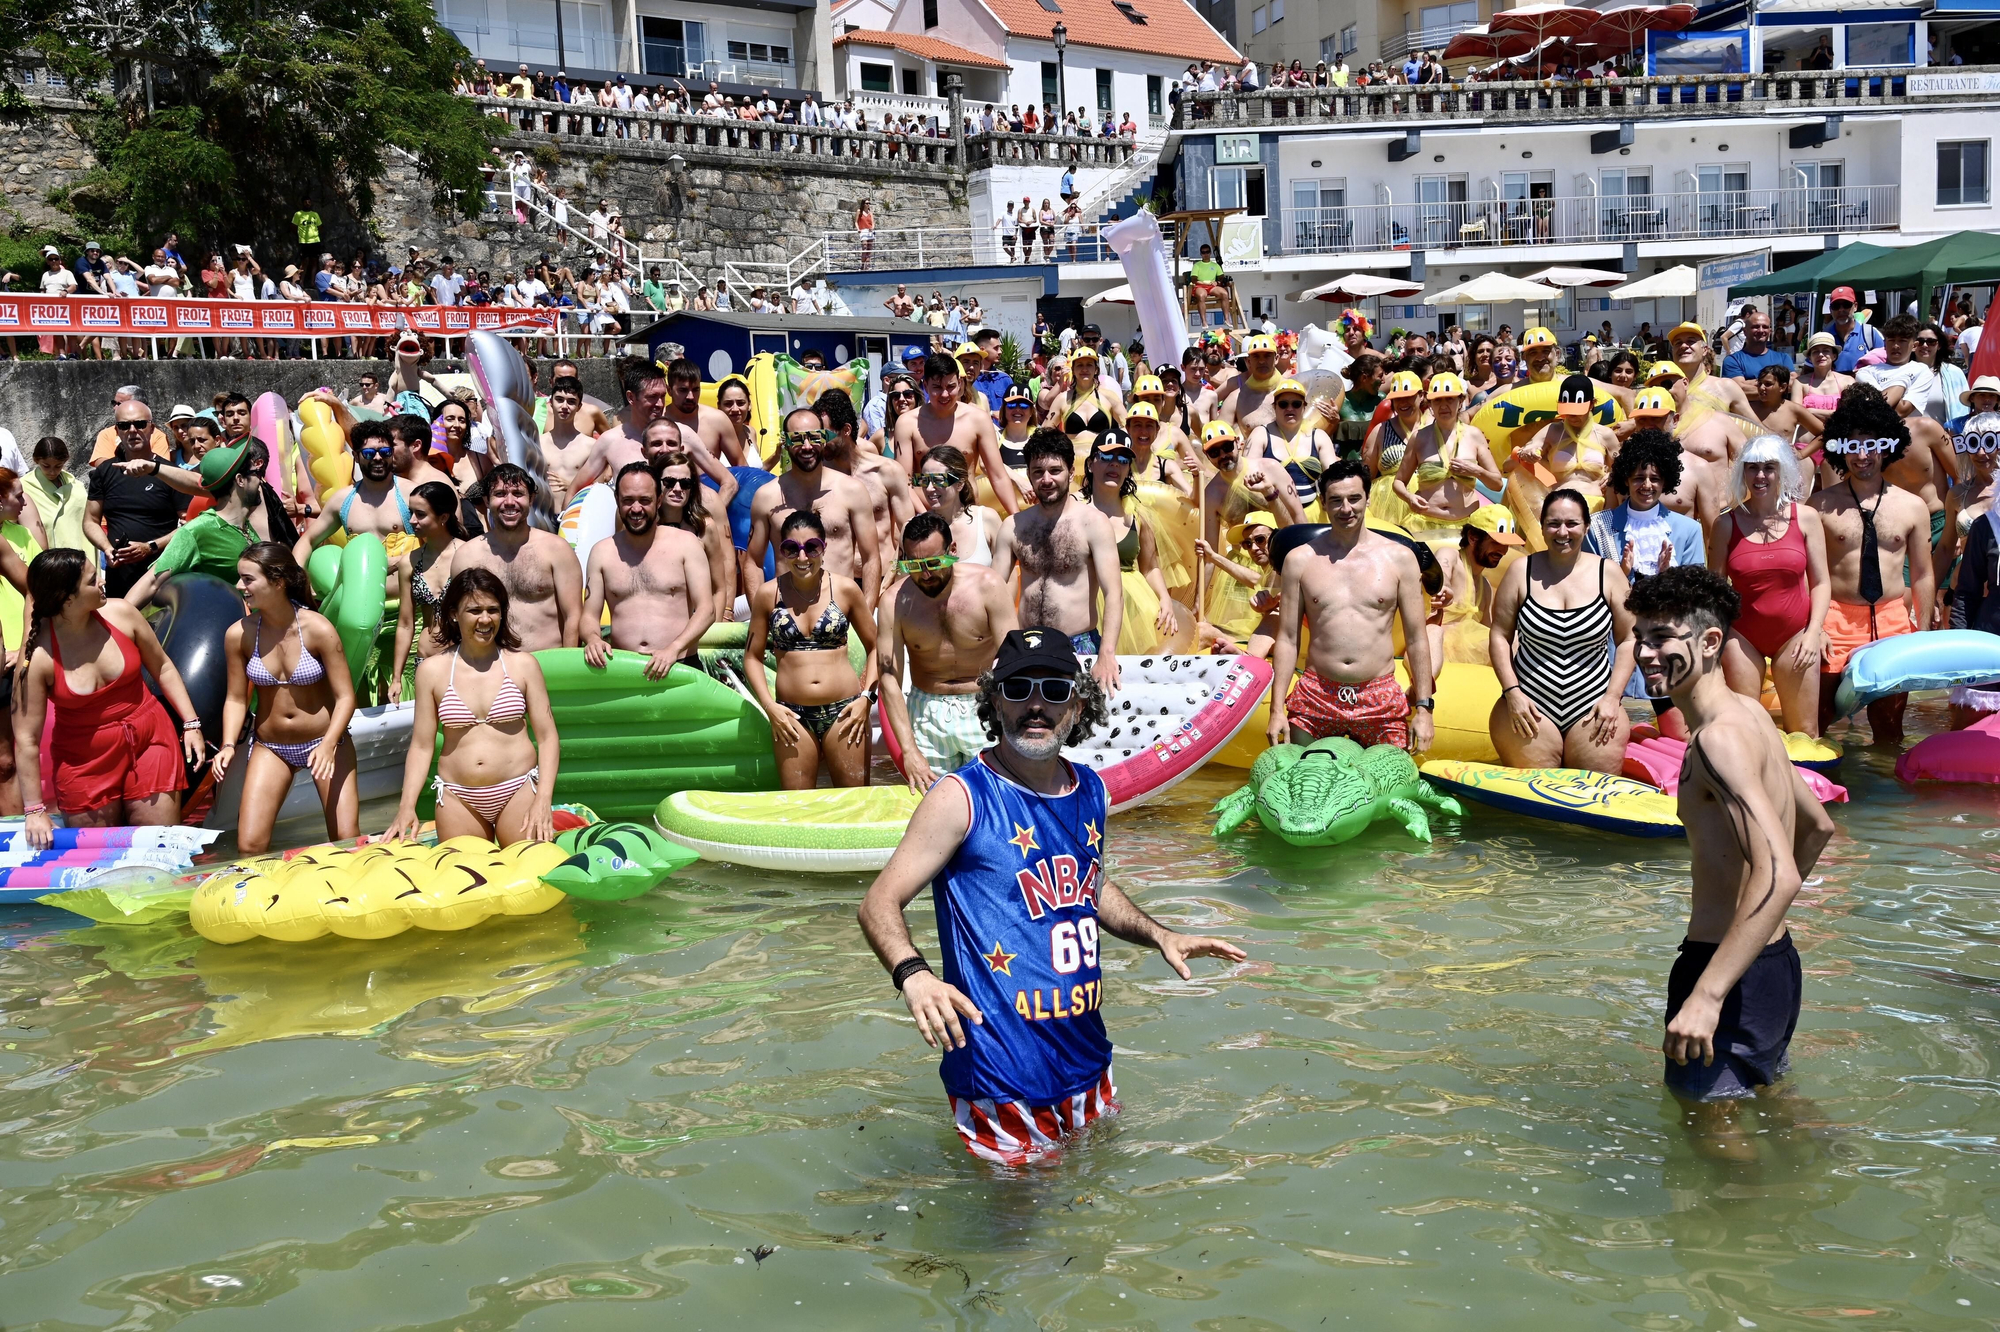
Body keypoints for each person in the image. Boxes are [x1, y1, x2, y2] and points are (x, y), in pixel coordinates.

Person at [856, 628, 1245, 1167]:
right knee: (1017, 1241)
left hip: (1088, 1063)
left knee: (1091, 1223)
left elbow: (1089, 884)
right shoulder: (962, 797)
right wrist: (914, 975)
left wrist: (1161, 934)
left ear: (1078, 702)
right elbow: (878, 902)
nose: (1035, 705)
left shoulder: (1091, 789)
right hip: (1002, 1077)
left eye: (1054, 689)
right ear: (994, 699)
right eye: (1017, 689)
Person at [1625, 564, 1834, 1119]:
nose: (1646, 653)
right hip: (1772, 965)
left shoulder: (1718, 740)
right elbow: (1816, 828)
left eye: (1664, 637)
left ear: (1710, 640)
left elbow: (1780, 873)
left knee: (1707, 1134)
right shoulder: (1751, 717)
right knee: (1767, 1108)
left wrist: (1708, 994)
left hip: (1725, 971)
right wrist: (1763, 931)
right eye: (1641, 637)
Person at [13, 549, 204, 847]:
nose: (102, 580)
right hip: (83, 760)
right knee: (101, 859)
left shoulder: (121, 614)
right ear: (67, 599)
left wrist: (191, 723)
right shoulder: (39, 657)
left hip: (149, 739)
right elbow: (26, 738)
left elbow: (163, 666)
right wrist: (34, 810)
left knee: (158, 847)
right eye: (92, 580)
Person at [1266, 459, 1436, 753]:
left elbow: (1417, 638)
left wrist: (1424, 709)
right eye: (1336, 500)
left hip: (1379, 695)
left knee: (1389, 789)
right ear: (1323, 503)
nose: (1346, 509)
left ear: (1367, 499)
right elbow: (1288, 639)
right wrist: (1276, 709)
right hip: (1316, 694)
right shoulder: (1299, 560)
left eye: (1354, 499)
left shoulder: (1400, 559)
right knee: (1301, 787)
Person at [387, 569, 560, 846]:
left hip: (517, 789)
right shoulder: (432, 672)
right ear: (455, 614)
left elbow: (548, 737)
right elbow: (421, 746)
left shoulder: (523, 665)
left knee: (533, 874)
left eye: (493, 610)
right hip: (458, 796)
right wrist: (406, 806)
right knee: (466, 883)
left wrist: (543, 799)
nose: (485, 619)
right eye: (474, 610)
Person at [211, 544, 359, 855]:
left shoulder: (318, 629)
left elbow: (346, 697)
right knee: (249, 846)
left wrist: (329, 744)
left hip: (325, 740)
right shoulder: (239, 634)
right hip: (271, 746)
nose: (240, 586)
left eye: (248, 579)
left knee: (347, 841)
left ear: (277, 582)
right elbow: (236, 699)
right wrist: (227, 745)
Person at [1810, 389, 1935, 742]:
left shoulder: (1913, 507)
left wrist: (1922, 633)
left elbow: (1923, 573)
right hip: (1834, 621)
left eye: (1871, 445)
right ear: (1839, 449)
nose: (1862, 455)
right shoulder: (1818, 505)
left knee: (1890, 729)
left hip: (1894, 621)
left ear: (1888, 445)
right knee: (1818, 722)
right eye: (1852, 446)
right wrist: (1814, 627)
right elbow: (1807, 575)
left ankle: (1886, 795)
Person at [1488, 489, 1636, 774]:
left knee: (1593, 803)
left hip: (1594, 708)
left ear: (1586, 527)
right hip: (1529, 707)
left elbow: (1630, 638)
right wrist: (1512, 693)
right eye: (1554, 523)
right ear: (1542, 527)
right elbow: (1499, 636)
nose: (1562, 532)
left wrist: (1612, 698)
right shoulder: (1520, 572)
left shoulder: (1610, 574)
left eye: (1572, 524)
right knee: (1536, 807)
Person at [878, 511, 1017, 791]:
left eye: (933, 562)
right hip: (926, 713)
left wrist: (1008, 722)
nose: (925, 574)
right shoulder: (894, 602)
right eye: (914, 566)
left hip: (984, 706)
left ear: (952, 550)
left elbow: (1012, 660)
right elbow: (889, 679)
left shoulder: (988, 586)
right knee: (931, 808)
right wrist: (909, 751)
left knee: (997, 799)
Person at [741, 510, 877, 789]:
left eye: (811, 547)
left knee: (854, 807)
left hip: (845, 713)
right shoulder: (769, 595)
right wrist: (770, 707)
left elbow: (877, 648)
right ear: (781, 551)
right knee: (798, 809)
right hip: (791, 717)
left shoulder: (846, 590)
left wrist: (867, 699)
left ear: (823, 548)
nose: (802, 557)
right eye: (792, 548)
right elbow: (752, 658)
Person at [1706, 436, 1831, 737]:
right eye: (1752, 468)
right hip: (1742, 636)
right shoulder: (1726, 524)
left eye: (1768, 468)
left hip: (1795, 634)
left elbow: (1822, 582)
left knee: (1804, 733)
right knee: (1747, 731)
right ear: (1743, 473)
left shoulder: (1807, 518)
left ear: (1782, 471)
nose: (1760, 476)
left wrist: (1815, 631)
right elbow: (1715, 590)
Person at [992, 430, 1124, 690]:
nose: (1046, 479)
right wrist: (999, 648)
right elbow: (993, 594)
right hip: (1025, 645)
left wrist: (1107, 653)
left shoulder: (1093, 523)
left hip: (1078, 644)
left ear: (1071, 473)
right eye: (1038, 472)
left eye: (1055, 470)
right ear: (1029, 475)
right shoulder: (1013, 527)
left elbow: (1114, 593)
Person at [581, 463, 714, 679]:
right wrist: (593, 638)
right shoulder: (602, 553)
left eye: (645, 500)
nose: (636, 509)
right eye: (628, 501)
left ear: (659, 501)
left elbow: (706, 610)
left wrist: (674, 649)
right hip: (622, 668)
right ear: (617, 501)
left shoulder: (686, 544)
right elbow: (589, 615)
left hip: (679, 665)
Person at [748, 407, 881, 604]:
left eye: (815, 437)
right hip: (787, 616)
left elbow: (871, 558)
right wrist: (763, 616)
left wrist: (865, 614)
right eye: (798, 438)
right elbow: (752, 562)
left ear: (825, 438)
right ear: (785, 442)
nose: (807, 446)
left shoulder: (852, 490)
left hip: (840, 613)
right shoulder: (766, 497)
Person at [453, 463, 583, 652]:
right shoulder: (467, 555)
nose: (509, 502)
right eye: (499, 494)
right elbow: (461, 619)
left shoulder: (556, 550)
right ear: (486, 501)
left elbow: (574, 615)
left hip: (549, 665)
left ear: (531, 499)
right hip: (494, 669)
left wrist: (568, 667)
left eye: (518, 493)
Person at [1082, 432, 1184, 654]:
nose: (1115, 465)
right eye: (1108, 457)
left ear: (1129, 468)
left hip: (1137, 608)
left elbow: (1150, 567)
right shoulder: (1074, 511)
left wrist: (1165, 599)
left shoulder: (1139, 516)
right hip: (1088, 606)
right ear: (1091, 464)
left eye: (1123, 460)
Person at [87, 402, 184, 601]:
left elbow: (190, 525)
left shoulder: (170, 473)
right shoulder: (104, 472)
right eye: (124, 426)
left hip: (161, 577)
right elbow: (90, 520)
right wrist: (106, 548)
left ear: (152, 427)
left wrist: (151, 547)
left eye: (140, 424)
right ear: (117, 431)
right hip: (119, 579)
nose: (133, 431)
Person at [1394, 373, 1500, 546]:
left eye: (1449, 399)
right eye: (1438, 400)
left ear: (1461, 401)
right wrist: (1409, 498)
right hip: (1425, 524)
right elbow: (1398, 482)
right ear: (1430, 404)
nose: (1443, 406)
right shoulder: (1419, 437)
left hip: (1467, 527)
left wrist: (1475, 471)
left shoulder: (1474, 435)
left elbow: (1497, 484)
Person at [387, 481, 469, 703]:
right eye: (410, 513)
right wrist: (396, 677)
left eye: (420, 514)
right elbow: (405, 623)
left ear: (443, 517)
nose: (412, 520)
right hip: (426, 658)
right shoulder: (410, 563)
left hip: (465, 659)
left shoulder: (468, 554)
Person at [293, 420, 416, 564]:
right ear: (356, 457)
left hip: (404, 584)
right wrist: (298, 575)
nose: (378, 458)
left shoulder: (411, 494)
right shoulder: (342, 500)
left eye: (385, 452)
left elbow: (439, 542)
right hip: (359, 585)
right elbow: (308, 540)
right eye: (369, 453)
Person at [1507, 374, 1616, 531]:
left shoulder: (1605, 435)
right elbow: (1531, 446)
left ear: (1592, 404)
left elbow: (1623, 468)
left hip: (1596, 506)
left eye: (1578, 410)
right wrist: (1528, 452)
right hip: (1560, 505)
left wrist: (1611, 475)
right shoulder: (1553, 430)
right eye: (1568, 410)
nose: (1572, 415)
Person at [1246, 378, 1336, 509]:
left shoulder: (1319, 436)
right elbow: (1248, 474)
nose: (1289, 408)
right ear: (1274, 407)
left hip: (1313, 514)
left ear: (1304, 407)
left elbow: (1333, 477)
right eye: (1283, 404)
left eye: (1296, 404)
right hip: (1272, 513)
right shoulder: (1260, 434)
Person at [913, 445, 999, 568]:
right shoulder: (914, 527)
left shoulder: (987, 519)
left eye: (938, 480)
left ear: (959, 484)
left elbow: (1008, 581)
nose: (929, 488)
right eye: (924, 480)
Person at [25, 436, 88, 554]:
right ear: (35, 460)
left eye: (58, 466)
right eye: (46, 466)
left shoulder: (77, 487)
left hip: (81, 555)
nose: (52, 472)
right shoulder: (24, 488)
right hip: (48, 560)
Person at [1720, 307, 1791, 392]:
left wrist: (1750, 382)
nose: (1761, 330)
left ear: (1770, 331)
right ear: (1745, 331)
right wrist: (1777, 384)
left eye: (1765, 327)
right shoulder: (1733, 360)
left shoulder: (1784, 358)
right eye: (1756, 327)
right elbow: (1738, 390)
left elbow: (1792, 385)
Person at [1825, 286, 1883, 374]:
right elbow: (1809, 369)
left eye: (1846, 305)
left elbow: (1885, 364)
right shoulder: (1824, 336)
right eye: (1836, 306)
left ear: (1855, 306)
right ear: (1830, 310)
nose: (1841, 310)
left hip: (1864, 385)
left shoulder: (1870, 333)